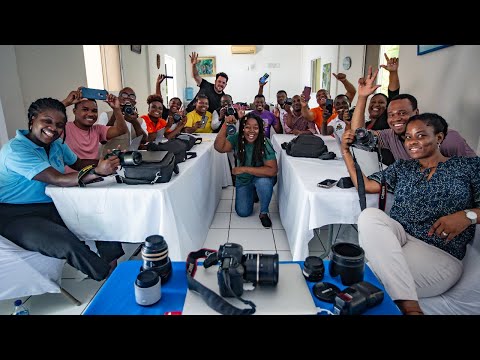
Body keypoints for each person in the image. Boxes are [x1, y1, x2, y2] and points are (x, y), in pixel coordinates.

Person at [341, 112, 480, 315]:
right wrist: (346, 152)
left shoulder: (467, 167)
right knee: (369, 215)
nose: (412, 142)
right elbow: (368, 185)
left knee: (364, 281)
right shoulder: (403, 168)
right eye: (407, 137)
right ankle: (410, 306)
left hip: (438, 252)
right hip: (399, 236)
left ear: (439, 137)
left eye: (421, 135)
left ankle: (405, 304)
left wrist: (467, 216)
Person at [0, 98, 123, 281]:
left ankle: (113, 267)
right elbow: (58, 179)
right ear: (32, 119)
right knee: (67, 243)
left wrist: (108, 161)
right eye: (47, 121)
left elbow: (79, 163)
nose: (53, 128)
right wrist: (97, 171)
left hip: (53, 204)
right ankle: (107, 276)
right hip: (15, 214)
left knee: (100, 218)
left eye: (59, 125)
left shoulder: (56, 145)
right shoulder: (15, 150)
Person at [351, 66, 477, 161]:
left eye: (402, 113)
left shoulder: (448, 139)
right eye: (391, 115)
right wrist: (362, 97)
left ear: (416, 112)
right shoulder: (390, 136)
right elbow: (359, 134)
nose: (396, 119)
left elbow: (474, 173)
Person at [214, 113, 278, 228]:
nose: (251, 131)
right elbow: (219, 147)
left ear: (261, 129)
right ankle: (253, 192)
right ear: (242, 127)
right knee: (243, 212)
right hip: (244, 179)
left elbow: (273, 171)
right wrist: (225, 124)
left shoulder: (265, 142)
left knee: (263, 183)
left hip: (260, 177)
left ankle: (264, 213)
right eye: (247, 127)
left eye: (256, 127)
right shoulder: (237, 137)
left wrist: (243, 169)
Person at [63, 88, 128, 171]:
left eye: (94, 111)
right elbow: (46, 115)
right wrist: (66, 102)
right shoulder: (65, 128)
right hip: (71, 180)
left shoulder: (97, 129)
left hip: (94, 176)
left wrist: (116, 108)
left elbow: (121, 130)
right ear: (74, 111)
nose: (90, 114)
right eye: (85, 109)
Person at [97, 86, 147, 158]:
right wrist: (116, 111)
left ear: (134, 102)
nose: (128, 98)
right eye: (124, 95)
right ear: (118, 99)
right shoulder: (105, 115)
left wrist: (135, 122)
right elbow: (102, 140)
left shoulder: (140, 120)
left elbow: (144, 140)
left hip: (131, 160)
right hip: (110, 161)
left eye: (132, 96)